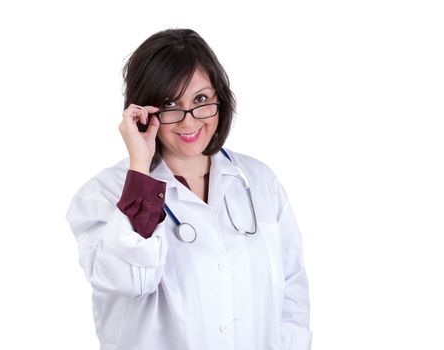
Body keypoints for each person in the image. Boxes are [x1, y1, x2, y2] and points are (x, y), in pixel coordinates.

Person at [66, 28, 311, 350]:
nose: (189, 120)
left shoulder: (258, 181)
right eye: (170, 103)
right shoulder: (104, 193)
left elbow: (291, 295)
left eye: (201, 100)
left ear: (220, 99)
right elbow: (127, 279)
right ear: (142, 111)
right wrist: (140, 168)